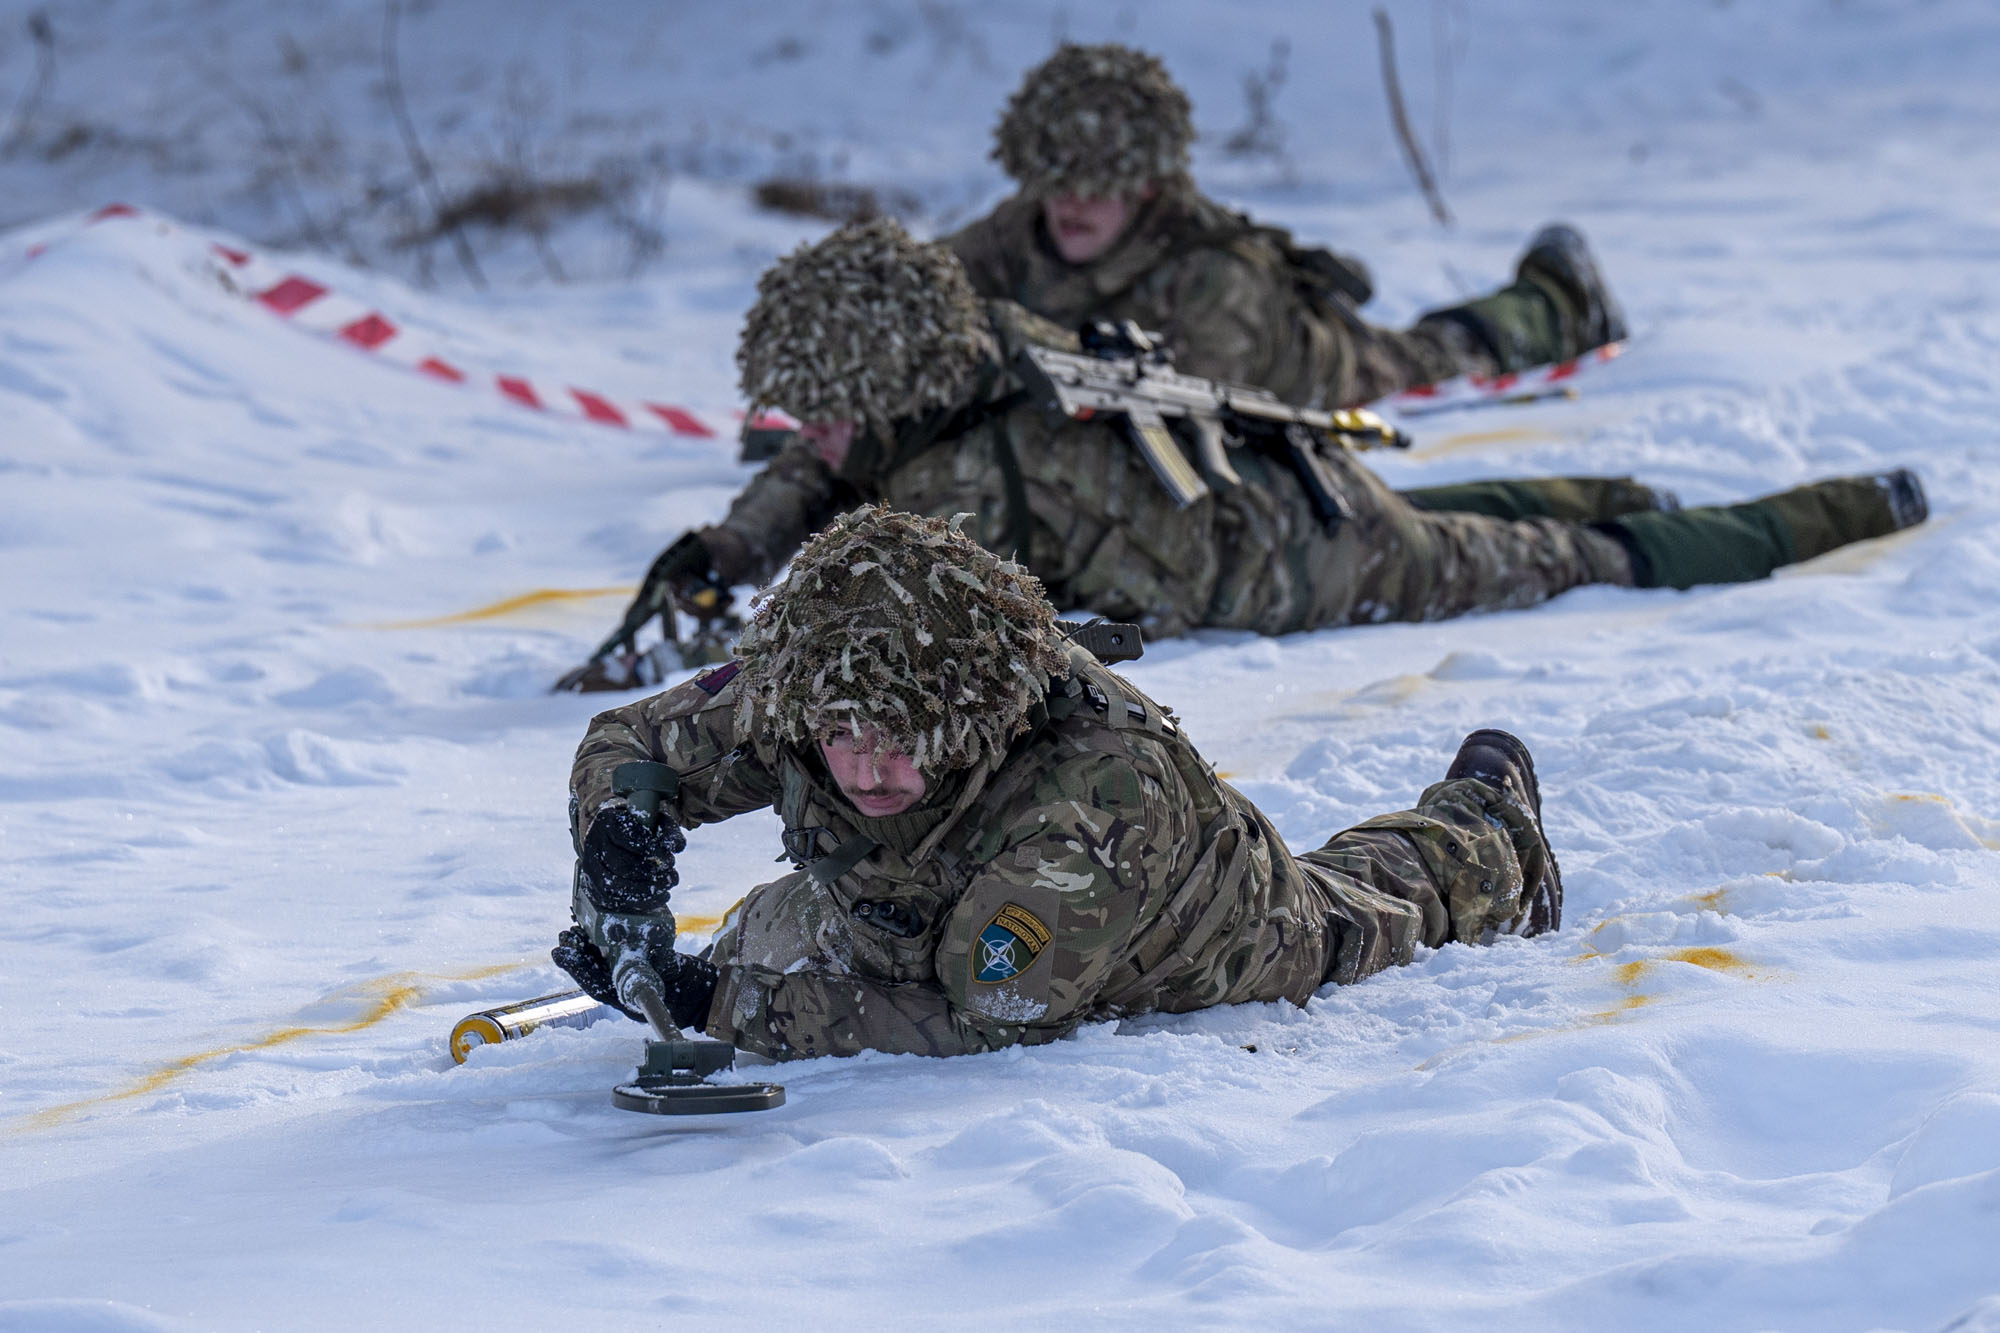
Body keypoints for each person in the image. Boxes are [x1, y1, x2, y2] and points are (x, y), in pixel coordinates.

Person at [554, 218, 1923, 688]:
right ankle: (1638, 493)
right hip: (1269, 474)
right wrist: (733, 543)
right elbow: (832, 463)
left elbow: (897, 630)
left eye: (830, 407)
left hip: (1292, 560)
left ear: (889, 378)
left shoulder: (960, 486)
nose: (818, 434)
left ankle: (1838, 509)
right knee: (1463, 511)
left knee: (1570, 560)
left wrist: (741, 645)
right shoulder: (980, 346)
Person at [552, 505, 1567, 1060]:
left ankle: (1484, 824)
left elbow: (983, 1019)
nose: (864, 766)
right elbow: (630, 741)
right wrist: (620, 836)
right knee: (773, 931)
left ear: (973, 714)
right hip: (907, 908)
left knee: (1369, 904)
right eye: (838, 735)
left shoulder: (1092, 794)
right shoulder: (821, 676)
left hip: (1200, 938)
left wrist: (716, 1004)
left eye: (903, 740)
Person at [948, 42, 1625, 418]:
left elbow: (1161, 415)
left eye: (1099, 188)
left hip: (1325, 374)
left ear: (1147, 185)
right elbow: (923, 294)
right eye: (1057, 183)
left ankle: (1560, 298)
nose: (1072, 205)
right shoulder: (1017, 232)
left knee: (1442, 354)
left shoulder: (1213, 281)